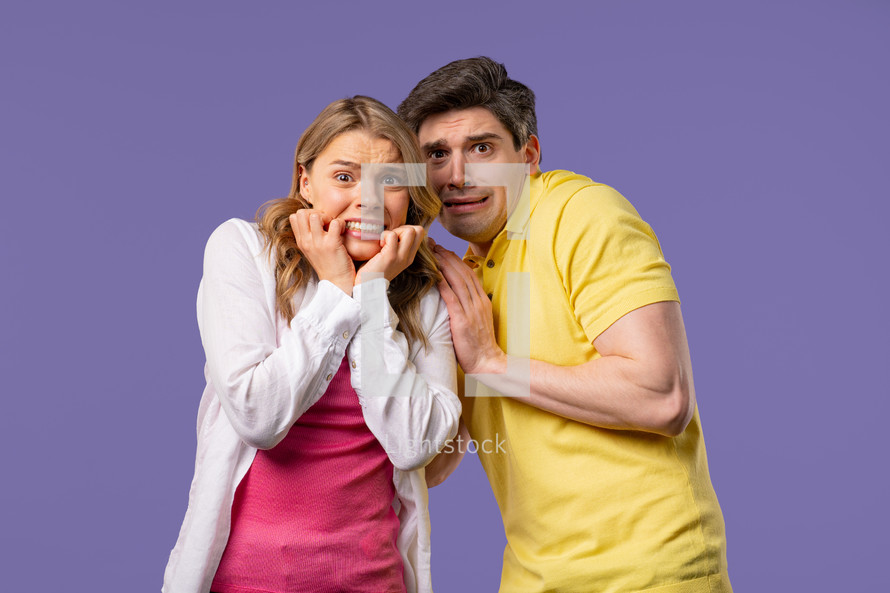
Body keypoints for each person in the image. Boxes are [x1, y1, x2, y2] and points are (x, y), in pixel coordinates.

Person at [398, 57, 732, 592]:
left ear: (527, 155)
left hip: (647, 577)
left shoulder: (582, 213)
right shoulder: (460, 277)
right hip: (533, 580)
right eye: (437, 155)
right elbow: (434, 463)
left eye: (481, 148)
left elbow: (662, 397)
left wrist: (492, 363)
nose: (457, 175)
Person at [162, 96, 461, 593]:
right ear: (305, 183)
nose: (367, 200)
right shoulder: (243, 252)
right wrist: (336, 288)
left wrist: (368, 293)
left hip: (374, 580)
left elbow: (413, 446)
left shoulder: (425, 296)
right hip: (248, 580)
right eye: (344, 177)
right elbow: (258, 417)